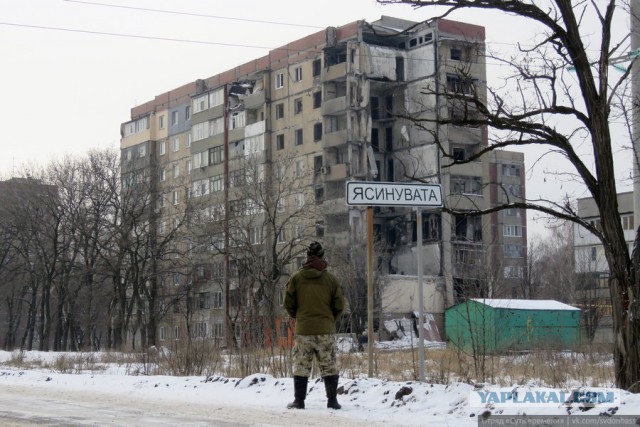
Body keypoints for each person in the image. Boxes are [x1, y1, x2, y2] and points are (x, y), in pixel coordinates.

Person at [283, 241, 345, 410]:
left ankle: (299, 401)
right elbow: (339, 305)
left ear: (308, 257)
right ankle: (332, 401)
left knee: (301, 365)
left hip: (304, 330)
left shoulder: (296, 278)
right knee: (329, 364)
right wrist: (329, 319)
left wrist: (299, 317)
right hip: (325, 329)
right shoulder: (331, 279)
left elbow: (288, 303)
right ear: (323, 256)